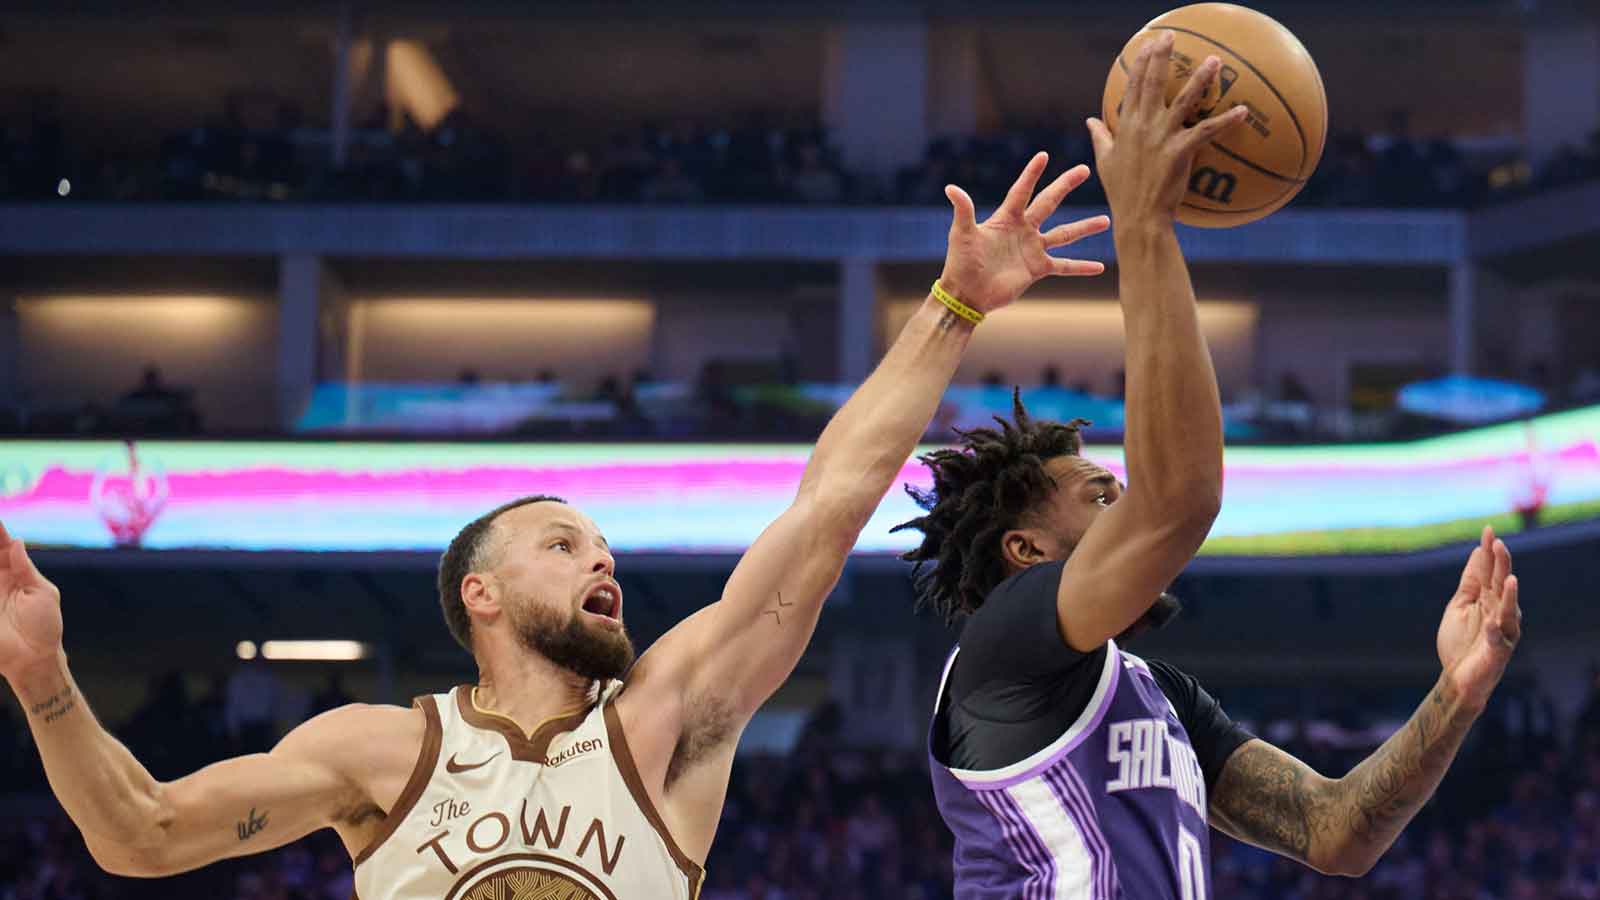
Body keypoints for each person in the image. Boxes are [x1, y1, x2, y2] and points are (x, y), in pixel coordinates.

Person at [0, 153, 1111, 896]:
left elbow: (828, 509)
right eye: (562, 541)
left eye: (603, 545)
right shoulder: (374, 750)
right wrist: (46, 679)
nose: (601, 557)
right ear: (478, 594)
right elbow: (138, 833)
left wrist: (955, 305)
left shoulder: (667, 720)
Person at [894, 35, 1524, 899]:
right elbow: (1178, 501)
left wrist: (1457, 692)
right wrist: (1144, 225)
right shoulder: (1004, 652)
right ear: (1025, 553)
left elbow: (1333, 832)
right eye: (1099, 494)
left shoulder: (1159, 696)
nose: (1123, 505)